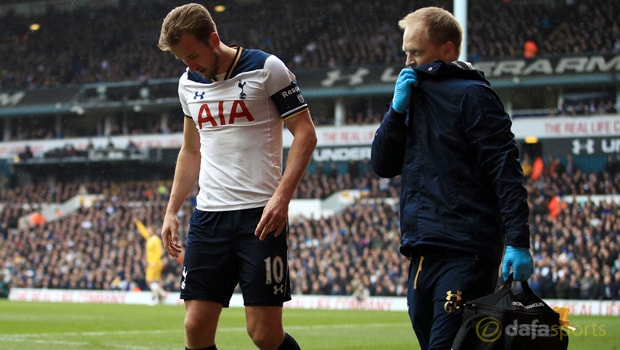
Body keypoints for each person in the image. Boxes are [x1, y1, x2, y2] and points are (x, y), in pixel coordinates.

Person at [370, 7, 534, 350]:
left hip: (467, 249)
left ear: (447, 50)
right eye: (405, 52)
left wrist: (518, 241)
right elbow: (383, 165)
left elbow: (505, 170)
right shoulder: (412, 96)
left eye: (417, 52)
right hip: (421, 251)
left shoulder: (474, 96)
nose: (408, 61)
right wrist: (396, 112)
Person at [157, 4, 317, 350]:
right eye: (183, 59)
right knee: (195, 327)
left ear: (213, 39)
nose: (190, 66)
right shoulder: (188, 84)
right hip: (209, 217)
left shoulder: (266, 68)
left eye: (194, 55)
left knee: (263, 334)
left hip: (260, 217)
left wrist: (282, 198)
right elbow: (191, 150)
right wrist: (171, 211)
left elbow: (305, 133)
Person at [134, 218, 167, 305]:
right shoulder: (149, 238)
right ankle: (159, 296)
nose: (147, 231)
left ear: (153, 231)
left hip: (154, 263)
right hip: (154, 263)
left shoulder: (156, 240)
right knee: (154, 281)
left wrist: (154, 262)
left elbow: (160, 252)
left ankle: (160, 294)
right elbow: (143, 231)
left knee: (148, 281)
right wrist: (138, 223)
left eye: (149, 230)